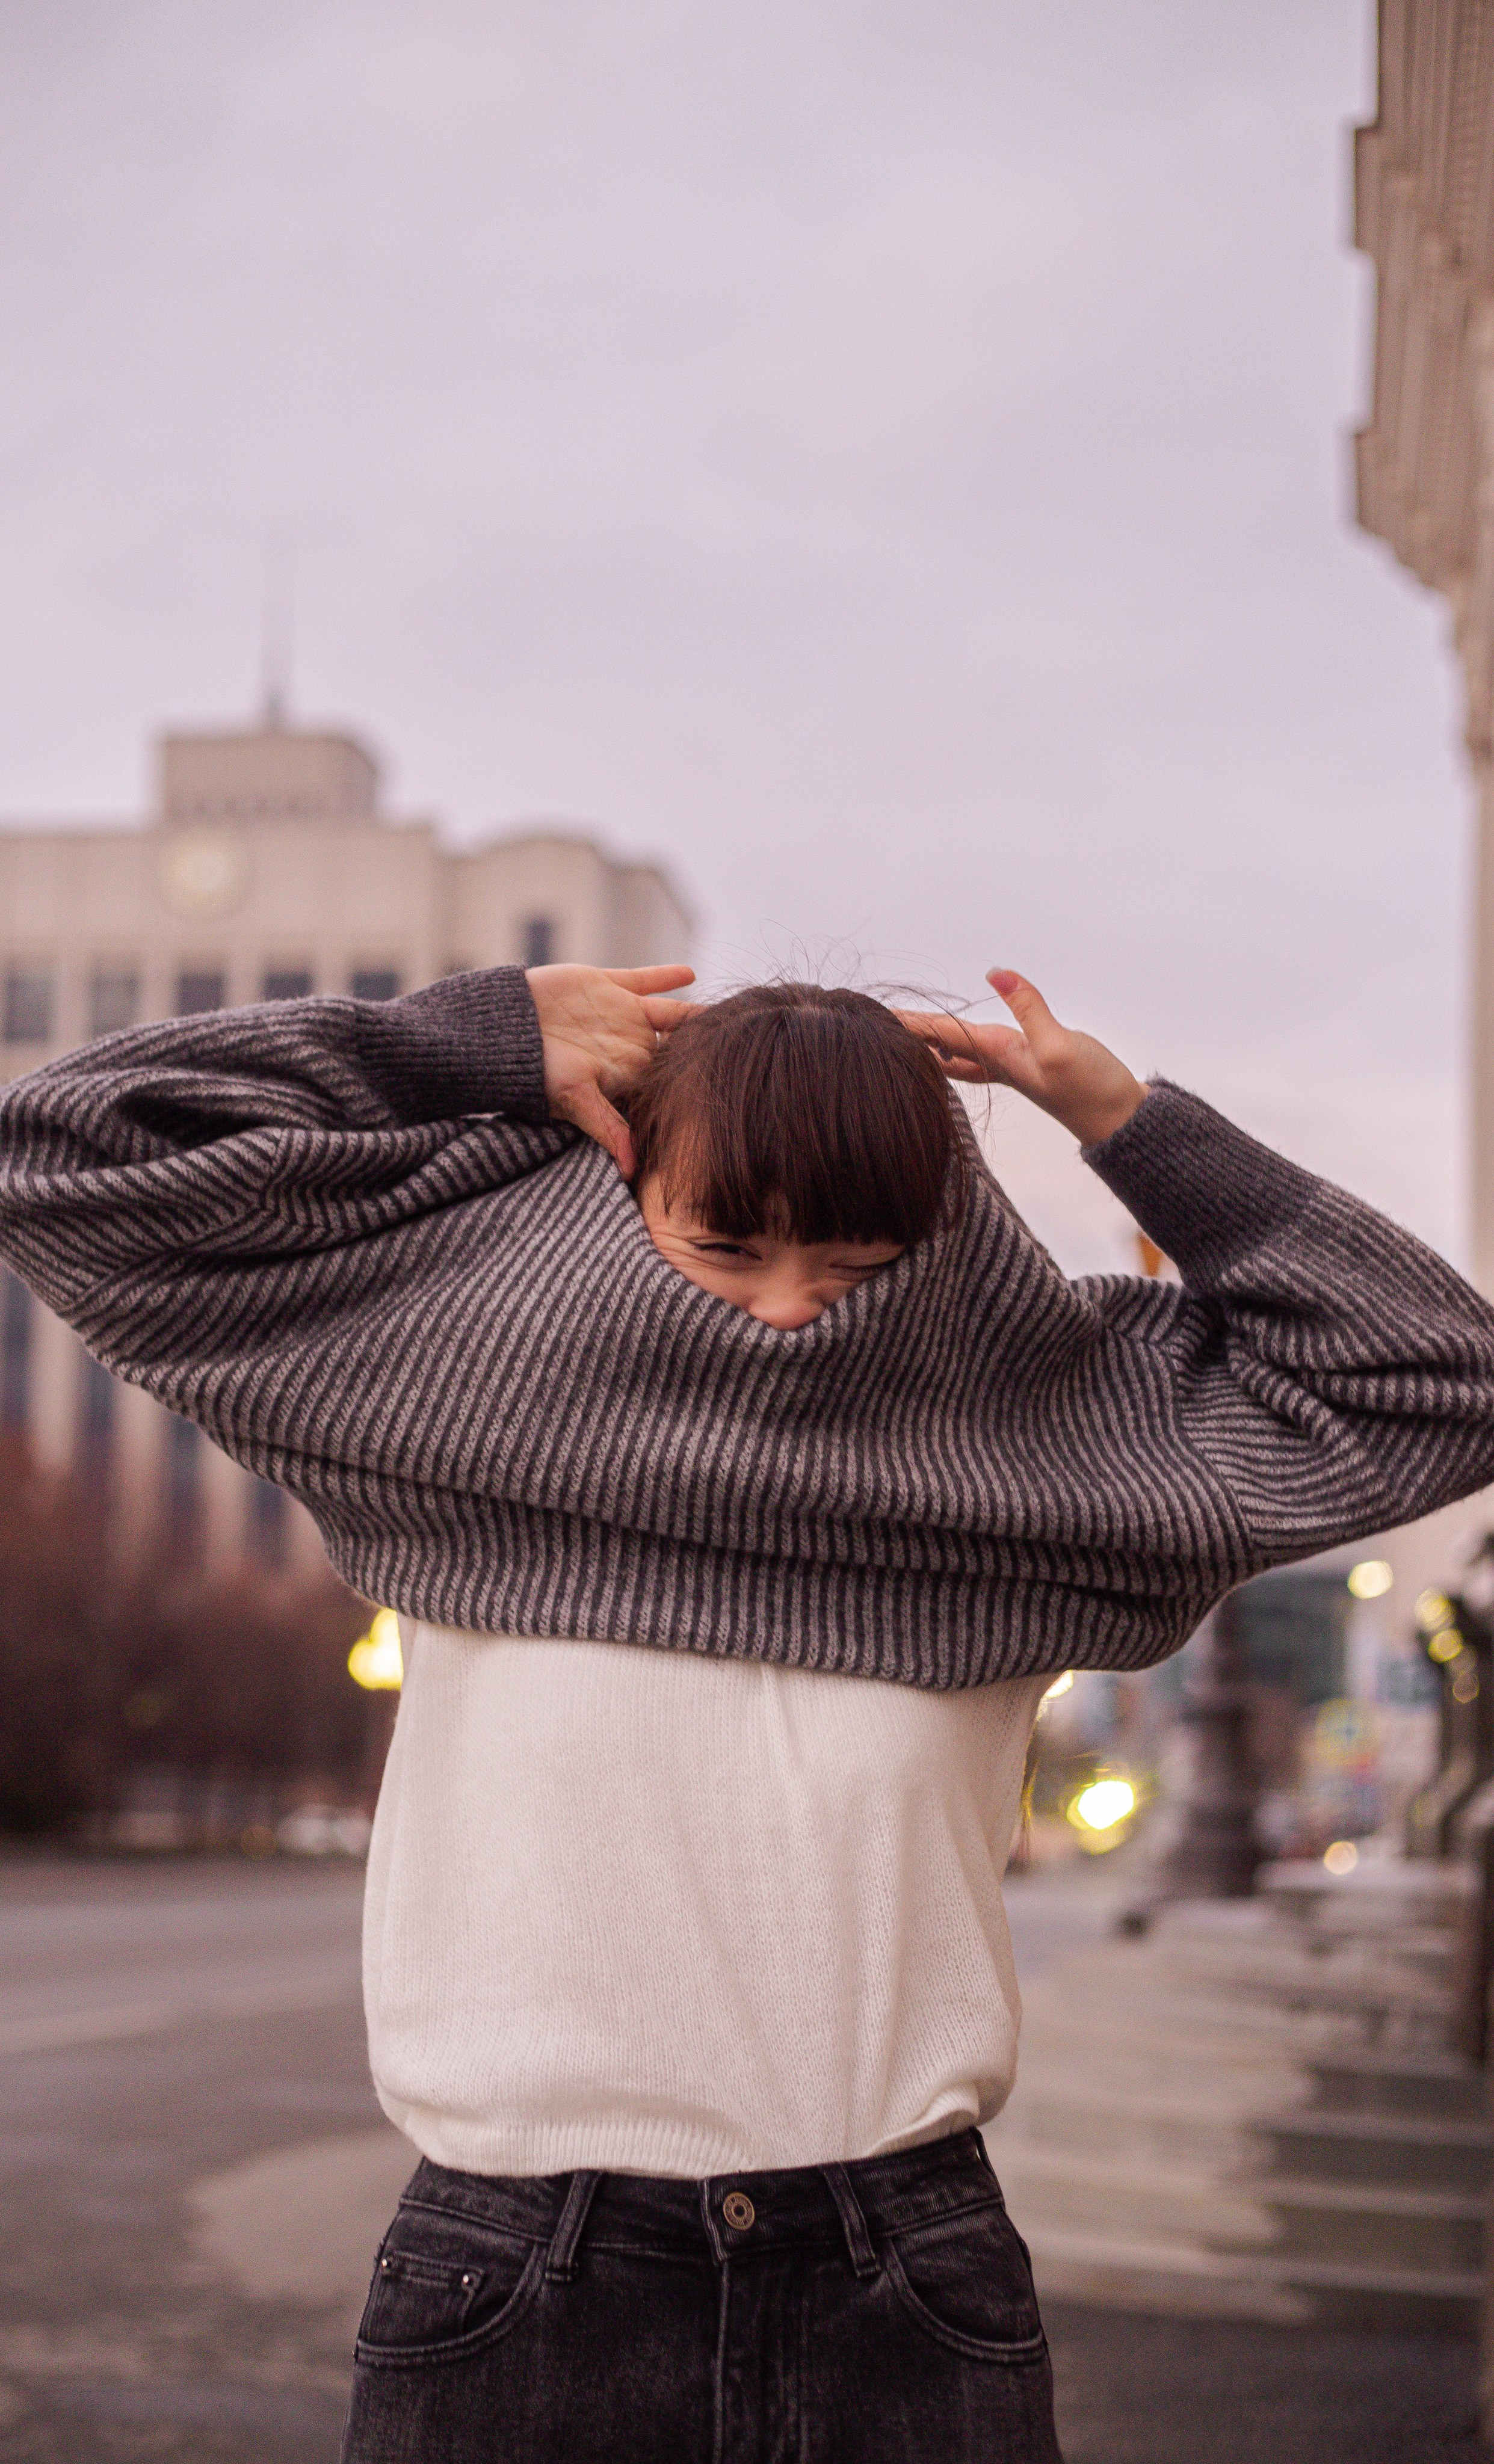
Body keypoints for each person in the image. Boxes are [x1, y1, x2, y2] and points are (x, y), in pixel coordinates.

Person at [2, 957, 1492, 2464]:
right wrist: (484, 1040)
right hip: (520, 2265)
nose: (789, 1312)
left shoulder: (1036, 1447)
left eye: (856, 1262)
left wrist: (1123, 1117)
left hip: (899, 2262)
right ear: (631, 1182)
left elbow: (1437, 1380)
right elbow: (60, 1147)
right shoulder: (457, 1390)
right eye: (726, 1245)